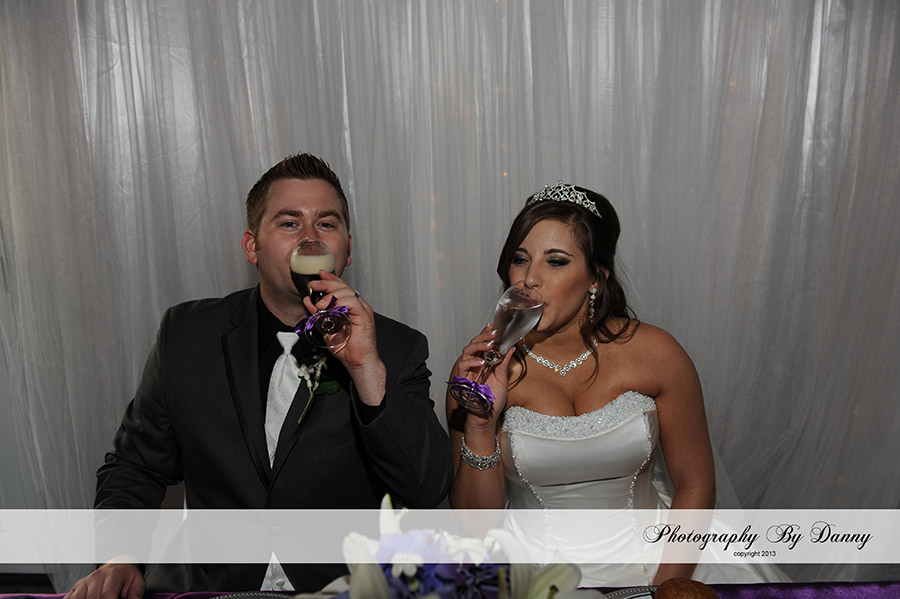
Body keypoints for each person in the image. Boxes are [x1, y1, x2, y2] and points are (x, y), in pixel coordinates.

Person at [66, 153, 453, 599]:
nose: (310, 239)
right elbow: (135, 466)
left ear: (347, 248)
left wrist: (366, 369)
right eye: (289, 223)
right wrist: (120, 558)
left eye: (326, 224)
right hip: (211, 590)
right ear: (252, 246)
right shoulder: (187, 335)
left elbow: (425, 488)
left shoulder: (396, 348)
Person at [446, 182, 784, 587]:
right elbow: (477, 527)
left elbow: (695, 484)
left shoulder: (657, 353)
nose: (530, 278)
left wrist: (664, 589)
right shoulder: (481, 373)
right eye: (521, 259)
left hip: (663, 563)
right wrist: (481, 422)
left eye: (556, 261)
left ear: (596, 278)